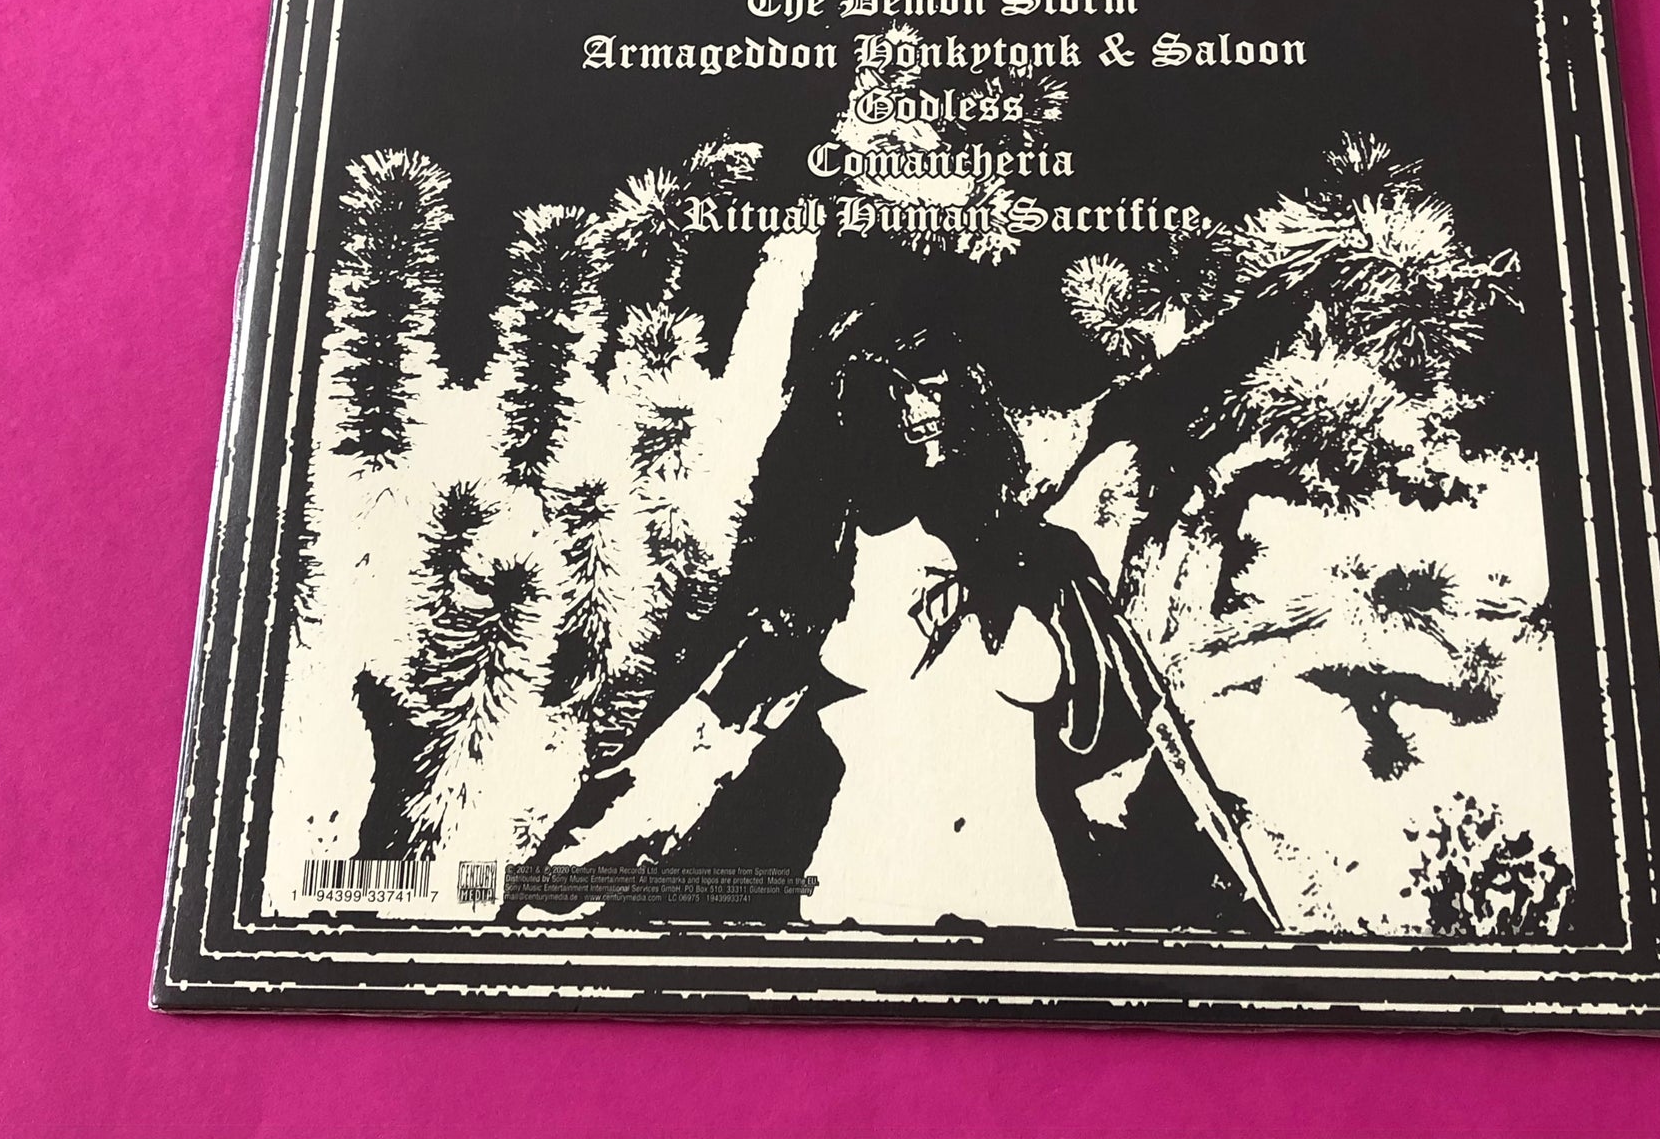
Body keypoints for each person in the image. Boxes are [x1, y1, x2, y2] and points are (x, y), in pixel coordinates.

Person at [502, 315, 1280, 933]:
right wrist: (545, 887)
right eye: (893, 393)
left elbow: (1147, 768)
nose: (919, 412)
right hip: (868, 905)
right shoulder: (816, 594)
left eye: (935, 389)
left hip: (1024, 904)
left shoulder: (1045, 566)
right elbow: (686, 758)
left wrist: (1249, 944)